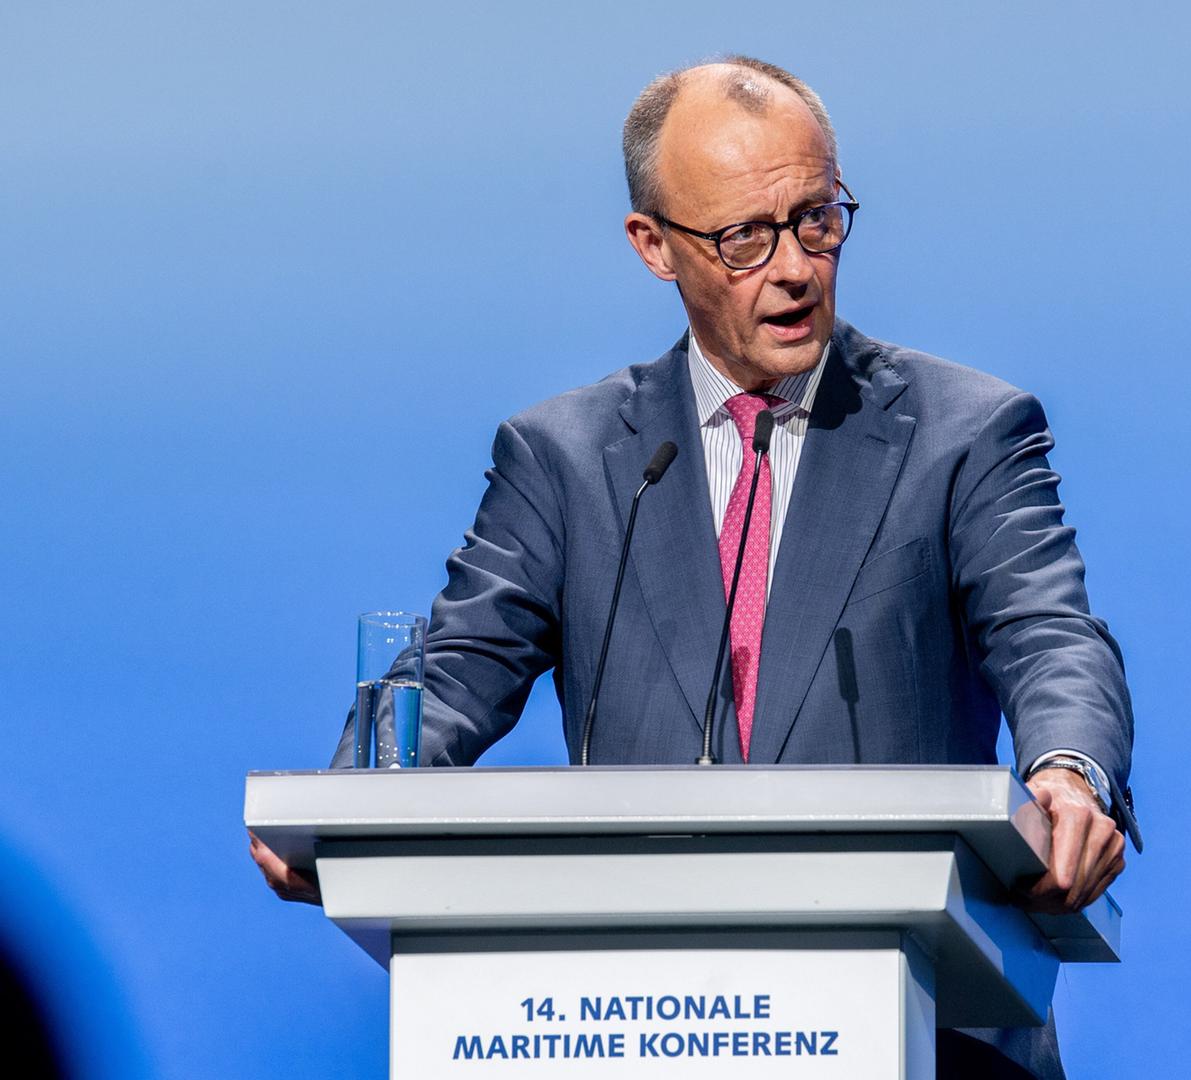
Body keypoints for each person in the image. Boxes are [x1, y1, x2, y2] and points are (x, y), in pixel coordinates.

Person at [250, 55, 1136, 1078]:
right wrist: (353, 806)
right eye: (745, 239)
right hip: (640, 1029)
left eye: (818, 218)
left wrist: (1071, 772)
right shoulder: (570, 462)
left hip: (929, 1036)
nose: (797, 267)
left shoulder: (966, 434)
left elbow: (1050, 633)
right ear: (654, 246)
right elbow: (452, 675)